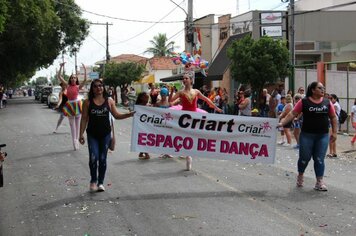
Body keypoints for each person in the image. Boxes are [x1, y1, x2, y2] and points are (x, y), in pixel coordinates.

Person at [279, 81, 337, 191]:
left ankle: (319, 182)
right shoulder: (304, 102)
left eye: (323, 88)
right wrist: (282, 123)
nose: (322, 90)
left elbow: (333, 117)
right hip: (307, 135)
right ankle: (300, 175)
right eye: (320, 88)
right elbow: (293, 113)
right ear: (313, 90)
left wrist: (334, 132)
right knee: (304, 158)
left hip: (322, 135)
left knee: (319, 159)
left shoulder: (327, 102)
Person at [79, 79, 135, 192]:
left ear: (103, 87)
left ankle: (100, 182)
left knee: (103, 159)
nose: (98, 88)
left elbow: (117, 115)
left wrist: (129, 114)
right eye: (95, 86)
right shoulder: (87, 102)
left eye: (100, 86)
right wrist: (80, 134)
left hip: (105, 135)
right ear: (92, 89)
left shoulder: (109, 101)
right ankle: (93, 181)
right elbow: (84, 118)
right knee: (93, 158)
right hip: (92, 135)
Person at [169, 70, 222, 170]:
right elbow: (170, 101)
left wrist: (216, 108)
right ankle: (188, 155)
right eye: (183, 78)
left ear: (191, 80)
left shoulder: (196, 91)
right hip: (184, 117)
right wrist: (171, 93)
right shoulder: (180, 92)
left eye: (186, 78)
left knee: (193, 135)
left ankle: (190, 154)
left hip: (194, 116)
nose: (184, 80)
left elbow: (207, 99)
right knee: (184, 135)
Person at [57, 62, 87, 150]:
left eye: (75, 78)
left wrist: (84, 70)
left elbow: (85, 80)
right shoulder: (67, 85)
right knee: (72, 125)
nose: (73, 79)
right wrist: (61, 67)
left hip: (77, 105)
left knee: (78, 125)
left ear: (76, 79)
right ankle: (74, 140)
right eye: (72, 78)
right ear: (70, 79)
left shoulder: (78, 87)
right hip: (70, 105)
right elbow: (59, 77)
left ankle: (76, 140)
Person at [135, 92, 151, 160]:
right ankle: (146, 154)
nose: (147, 99)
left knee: (144, 138)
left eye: (148, 97)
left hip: (147, 125)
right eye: (146, 97)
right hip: (141, 125)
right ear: (141, 98)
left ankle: (142, 152)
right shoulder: (139, 106)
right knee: (143, 138)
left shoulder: (148, 105)